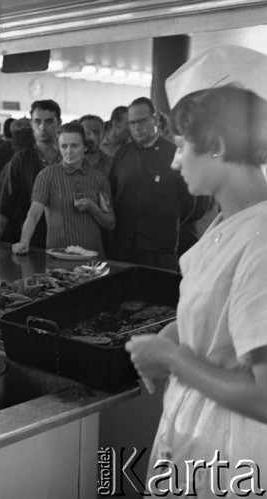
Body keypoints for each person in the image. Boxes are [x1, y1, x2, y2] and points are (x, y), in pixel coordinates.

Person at [126, 45, 267, 496]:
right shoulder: (227, 226)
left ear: (220, 145)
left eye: (183, 145)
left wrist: (173, 359)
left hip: (236, 460)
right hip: (195, 446)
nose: (174, 159)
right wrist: (174, 333)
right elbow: (224, 322)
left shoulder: (262, 241)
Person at [109, 96, 195, 271]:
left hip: (160, 249)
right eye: (132, 123)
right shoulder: (122, 154)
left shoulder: (174, 153)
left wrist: (167, 224)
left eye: (142, 121)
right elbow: (112, 193)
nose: (137, 127)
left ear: (155, 119)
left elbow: (190, 203)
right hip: (124, 245)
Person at [12, 121, 114, 257]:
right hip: (58, 258)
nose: (69, 151)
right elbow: (34, 214)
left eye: (75, 146)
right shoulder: (47, 175)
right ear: (58, 147)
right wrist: (24, 242)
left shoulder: (99, 178)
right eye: (64, 146)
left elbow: (111, 223)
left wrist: (92, 208)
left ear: (85, 147)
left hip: (93, 259)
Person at [0, 99, 62, 246]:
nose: (43, 127)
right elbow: (7, 200)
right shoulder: (22, 158)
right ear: (31, 124)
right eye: (37, 121)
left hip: (68, 237)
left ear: (59, 123)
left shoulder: (68, 156)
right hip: (32, 238)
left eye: (49, 121)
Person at [79, 114, 113, 178]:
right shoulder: (67, 164)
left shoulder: (112, 164)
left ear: (102, 135)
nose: (91, 137)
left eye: (96, 132)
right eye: (86, 133)